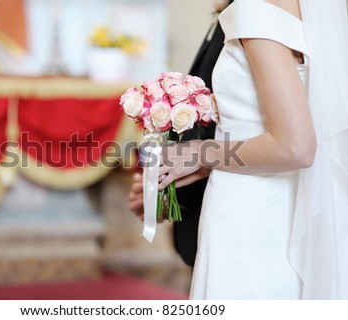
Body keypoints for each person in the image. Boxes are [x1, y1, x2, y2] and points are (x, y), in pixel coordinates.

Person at [134, 0, 348, 299]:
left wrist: (202, 152)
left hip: (249, 211)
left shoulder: (257, 7)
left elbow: (296, 146)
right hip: (291, 201)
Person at [129, 0, 232, 268]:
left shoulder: (252, 24)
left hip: (232, 208)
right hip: (203, 204)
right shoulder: (226, 18)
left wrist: (193, 163)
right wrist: (164, 188)